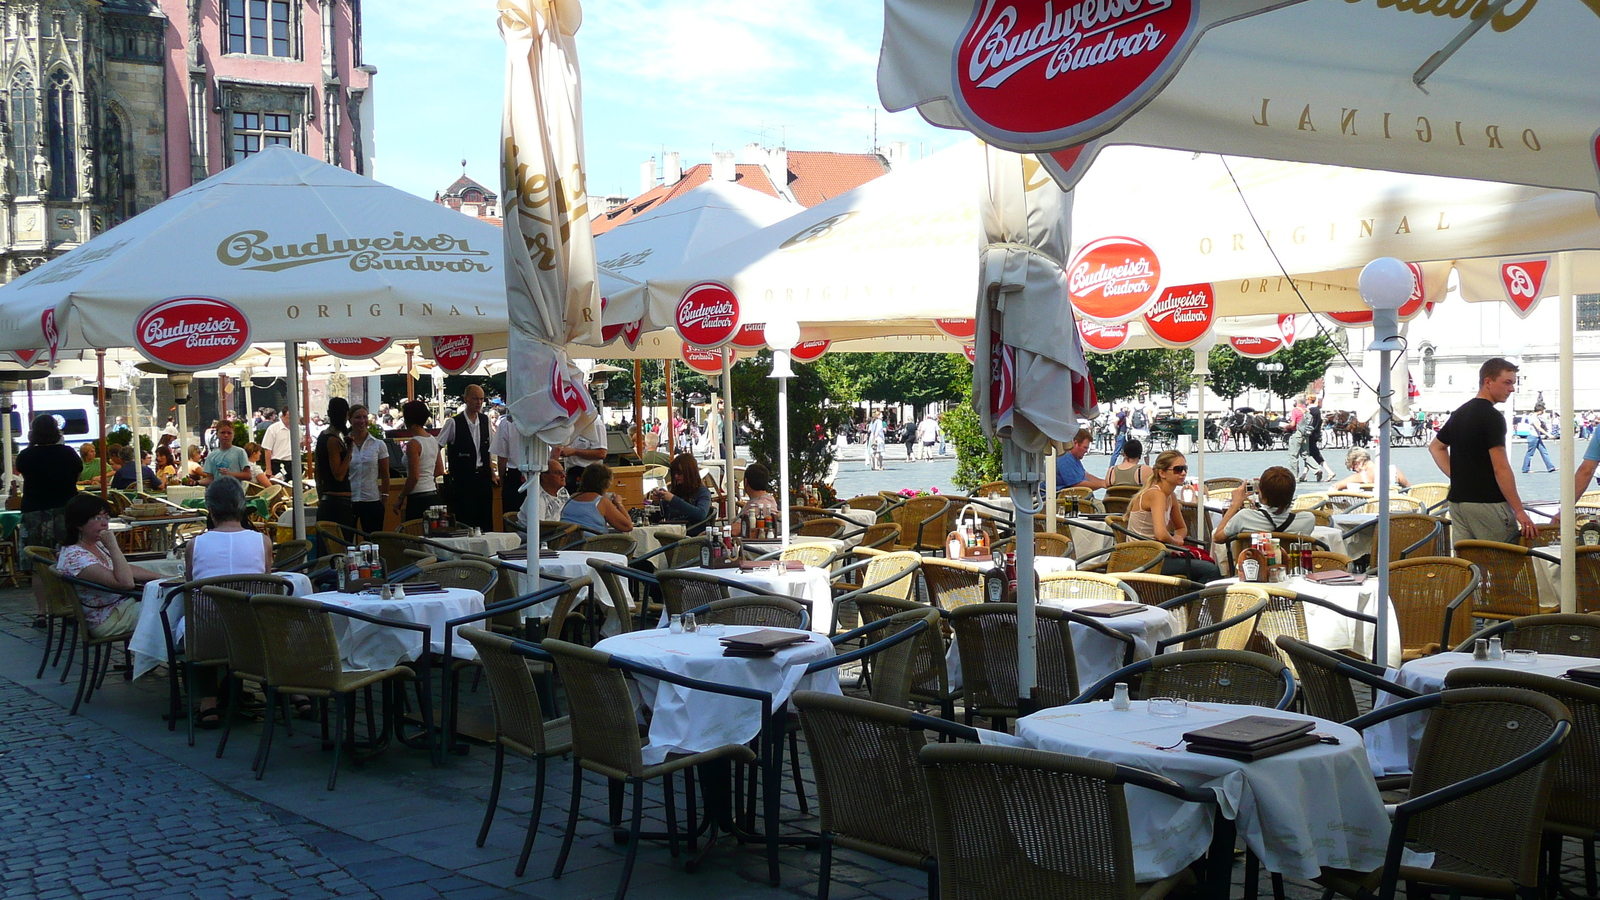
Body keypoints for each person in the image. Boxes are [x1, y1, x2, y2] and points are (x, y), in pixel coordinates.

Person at [183, 477, 285, 727]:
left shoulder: (194, 545)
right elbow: (266, 581)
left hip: (207, 635)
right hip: (252, 633)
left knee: (195, 621)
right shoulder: (262, 541)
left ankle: (208, 704)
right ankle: (284, 692)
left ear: (211, 509)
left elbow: (189, 582)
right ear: (242, 506)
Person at [1429, 357, 1538, 544]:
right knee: (1504, 563)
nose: (1512, 388)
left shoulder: (1461, 412)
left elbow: (1435, 447)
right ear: (1488, 382)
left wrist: (1458, 477)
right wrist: (1519, 511)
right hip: (1488, 503)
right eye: (1507, 382)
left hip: (1458, 502)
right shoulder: (1492, 417)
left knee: (1470, 564)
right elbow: (1501, 468)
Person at [56, 493, 162, 638]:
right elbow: (125, 583)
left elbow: (123, 569)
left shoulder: (95, 544)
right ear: (79, 524)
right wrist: (113, 546)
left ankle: (167, 654)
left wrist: (163, 577)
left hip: (122, 606)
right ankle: (167, 656)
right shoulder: (76, 557)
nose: (104, 523)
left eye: (106, 517)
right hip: (107, 619)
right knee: (170, 609)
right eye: (97, 518)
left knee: (172, 602)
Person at [17, 415, 83, 627]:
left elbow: (24, 474)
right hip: (65, 511)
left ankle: (41, 613)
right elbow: (77, 475)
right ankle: (69, 608)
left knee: (38, 564)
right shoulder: (68, 453)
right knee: (67, 561)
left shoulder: (26, 456)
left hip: (35, 512)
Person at [1127, 450, 1221, 582]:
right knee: (1209, 570)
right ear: (1162, 473)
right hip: (1144, 558)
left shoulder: (1170, 495)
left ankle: (1192, 599)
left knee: (1207, 566)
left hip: (1158, 553)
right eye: (1178, 469)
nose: (1183, 473)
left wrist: (1178, 537)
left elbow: (1181, 528)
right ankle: (1198, 601)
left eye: (1184, 468)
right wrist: (1175, 542)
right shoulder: (1156, 494)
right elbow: (1160, 534)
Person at [437, 385, 497, 531]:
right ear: (466, 399)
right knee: (465, 520)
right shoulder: (453, 423)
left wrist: (492, 472)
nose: (479, 402)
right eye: (475, 398)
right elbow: (437, 446)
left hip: (482, 477)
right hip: (462, 479)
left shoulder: (485, 421)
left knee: (485, 521)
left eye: (481, 399)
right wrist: (439, 471)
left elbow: (488, 449)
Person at [1215, 466, 1317, 542]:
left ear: (1262, 494)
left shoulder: (1244, 517)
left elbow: (1217, 537)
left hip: (1254, 567)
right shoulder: (1307, 519)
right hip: (1291, 567)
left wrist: (1235, 504)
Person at [393, 399, 444, 522]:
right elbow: (439, 470)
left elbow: (414, 477)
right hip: (433, 494)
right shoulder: (433, 440)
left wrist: (401, 496)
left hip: (418, 498)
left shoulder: (414, 444)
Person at [344, 405, 390, 534]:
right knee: (346, 540)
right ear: (350, 419)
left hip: (371, 499)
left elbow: (385, 474)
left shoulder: (378, 444)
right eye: (358, 417)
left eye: (365, 417)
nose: (362, 421)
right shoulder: (343, 443)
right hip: (349, 499)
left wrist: (384, 497)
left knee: (372, 540)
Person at [560, 463, 633, 534]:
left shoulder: (572, 497)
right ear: (606, 483)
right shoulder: (601, 502)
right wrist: (619, 504)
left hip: (567, 543)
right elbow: (627, 526)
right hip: (592, 544)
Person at [313, 397, 353, 528]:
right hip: (339, 501)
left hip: (327, 500)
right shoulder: (333, 441)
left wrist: (320, 495)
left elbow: (317, 470)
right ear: (346, 415)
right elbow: (339, 474)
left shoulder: (322, 436)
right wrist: (350, 451)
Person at [651, 453, 711, 534]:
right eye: (674, 473)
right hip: (671, 534)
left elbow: (701, 514)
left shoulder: (702, 491)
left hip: (691, 536)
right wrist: (656, 503)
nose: (676, 476)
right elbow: (655, 519)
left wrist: (673, 499)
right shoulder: (675, 491)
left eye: (679, 473)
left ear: (689, 472)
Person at [489, 409, 523, 530]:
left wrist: (503, 480)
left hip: (516, 478)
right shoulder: (543, 418)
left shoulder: (507, 422)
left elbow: (502, 457)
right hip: (528, 475)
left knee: (513, 524)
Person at [732, 462, 780, 537]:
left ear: (745, 482)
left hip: (748, 546)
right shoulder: (768, 499)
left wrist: (715, 530)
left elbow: (735, 531)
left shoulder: (757, 506)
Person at [1331, 447, 1410, 492]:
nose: (1356, 472)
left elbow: (1334, 487)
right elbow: (1411, 489)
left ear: (1359, 463)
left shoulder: (1363, 476)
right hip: (1397, 511)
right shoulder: (1394, 470)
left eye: (1354, 469)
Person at [199, 421, 250, 486]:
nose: (226, 435)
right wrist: (196, 482)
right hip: (217, 493)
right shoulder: (211, 456)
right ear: (217, 434)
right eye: (222, 433)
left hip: (234, 493)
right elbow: (209, 479)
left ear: (233, 435)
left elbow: (248, 475)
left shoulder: (240, 452)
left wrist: (229, 474)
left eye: (229, 433)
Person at [1301, 395, 1336, 482]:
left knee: (1314, 454)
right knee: (1308, 454)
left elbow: (1307, 423)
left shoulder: (1310, 410)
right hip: (1315, 434)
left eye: (1306, 399)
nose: (1305, 401)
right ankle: (1304, 474)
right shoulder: (1317, 410)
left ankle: (1329, 471)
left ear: (1309, 400)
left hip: (1310, 435)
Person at [1519, 405, 1556, 474]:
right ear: (1539, 411)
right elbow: (1538, 427)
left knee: (1544, 452)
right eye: (1543, 411)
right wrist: (1548, 434)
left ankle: (1550, 467)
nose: (1543, 412)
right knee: (1530, 453)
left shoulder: (1534, 417)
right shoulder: (1534, 418)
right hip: (1533, 437)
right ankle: (1525, 469)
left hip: (1536, 436)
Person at [260, 409, 293, 479]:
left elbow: (299, 445)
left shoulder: (297, 428)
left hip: (293, 462)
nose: (291, 420)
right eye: (289, 417)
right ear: (283, 416)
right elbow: (267, 449)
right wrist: (268, 468)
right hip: (277, 463)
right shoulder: (273, 429)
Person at [536, 455, 569, 521]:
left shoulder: (562, 491)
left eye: (563, 471)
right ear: (545, 477)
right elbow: (540, 527)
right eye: (558, 473)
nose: (564, 475)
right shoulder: (536, 499)